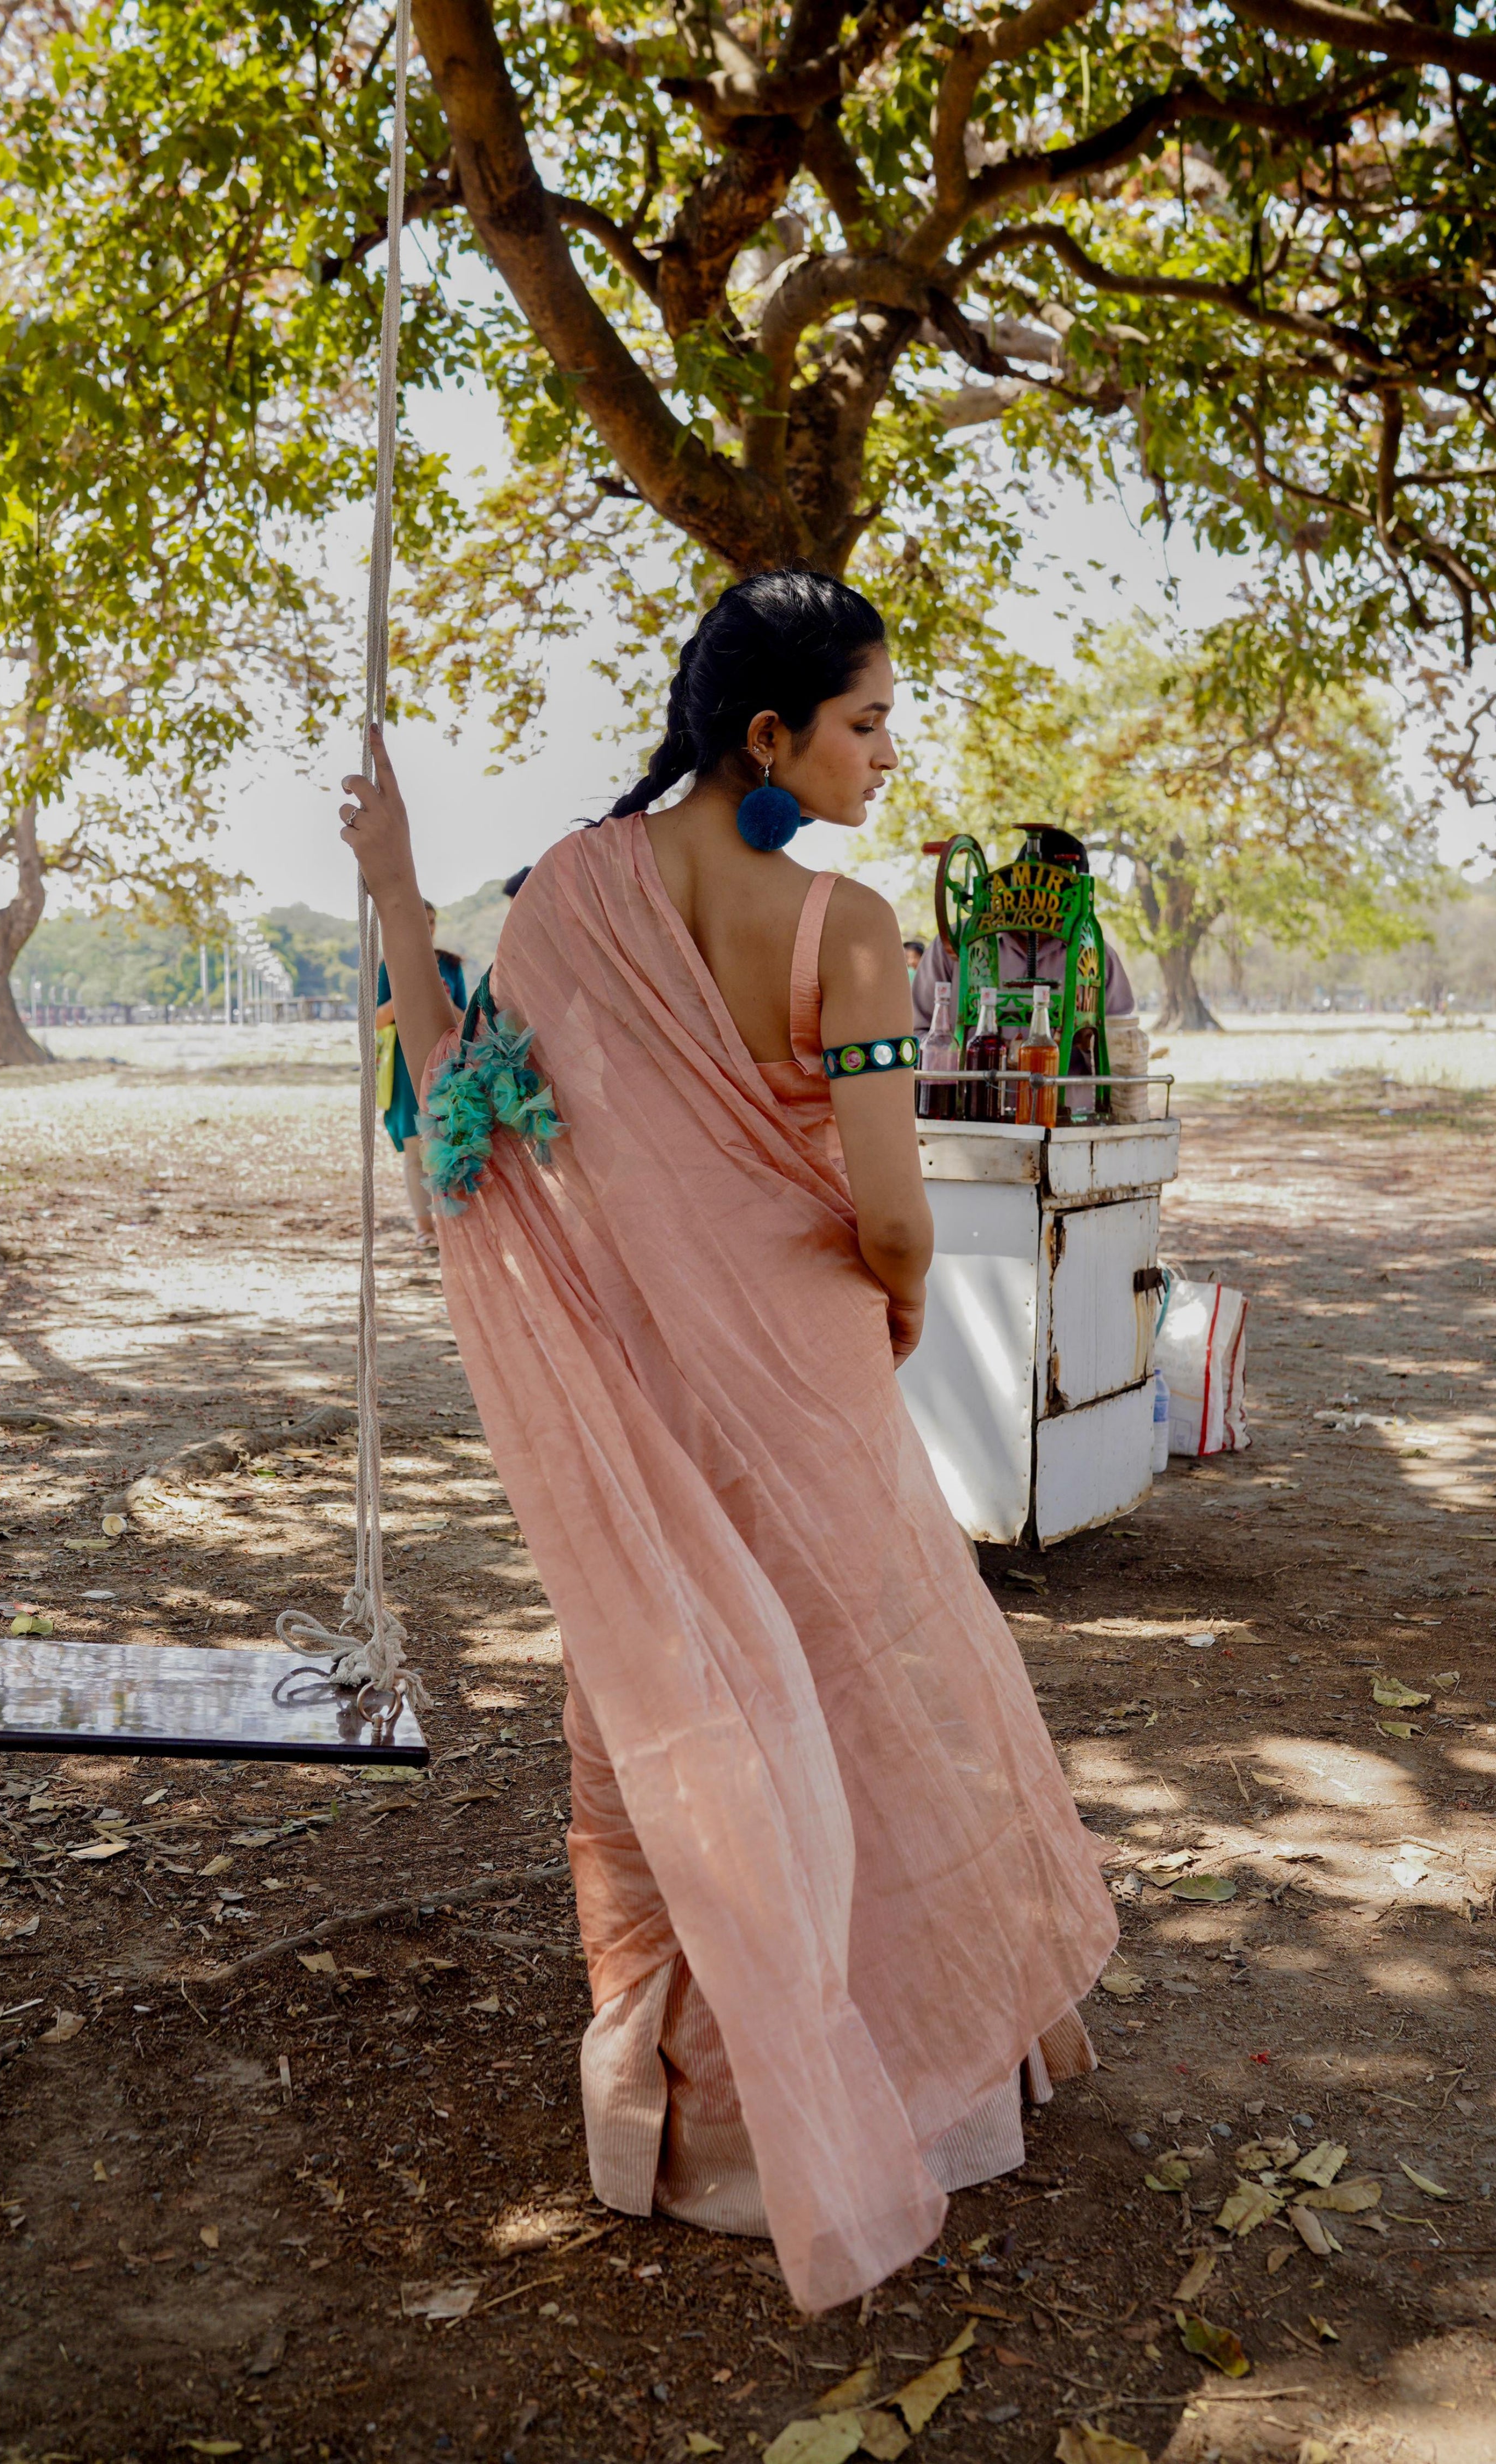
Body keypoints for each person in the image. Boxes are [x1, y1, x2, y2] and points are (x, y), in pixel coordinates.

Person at [339, 571, 1116, 2314]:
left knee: (678, 1707)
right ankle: (901, 2083)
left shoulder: (570, 893)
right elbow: (895, 1221)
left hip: (650, 1385)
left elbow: (464, 1103)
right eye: (863, 724)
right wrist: (900, 1309)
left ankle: (702, 2118)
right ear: (768, 737)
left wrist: (397, 898)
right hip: (809, 1371)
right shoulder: (842, 931)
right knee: (863, 1687)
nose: (886, 756)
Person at [910, 827, 1135, 1036]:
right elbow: (916, 1031)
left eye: (1054, 902)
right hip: (969, 1079)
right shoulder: (956, 943)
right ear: (1012, 882)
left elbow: (1121, 1045)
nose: (1038, 912)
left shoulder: (1096, 956)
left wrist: (1086, 1040)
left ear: (1076, 901)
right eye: (1033, 894)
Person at [375, 898, 465, 1247]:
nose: (426, 929)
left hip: (446, 1061)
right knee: (415, 1149)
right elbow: (377, 1021)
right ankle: (424, 1227)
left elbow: (467, 1018)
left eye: (431, 922)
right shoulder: (388, 967)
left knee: (447, 1143)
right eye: (420, 922)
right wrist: (408, 987)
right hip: (402, 1066)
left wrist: (439, 996)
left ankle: (452, 1225)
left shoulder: (452, 965)